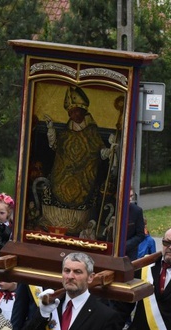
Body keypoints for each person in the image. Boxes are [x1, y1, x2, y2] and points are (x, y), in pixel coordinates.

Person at [42, 86, 117, 234]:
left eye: (76, 111)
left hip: (84, 177)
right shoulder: (65, 131)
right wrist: (50, 129)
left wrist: (108, 151)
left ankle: (80, 224)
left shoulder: (91, 130)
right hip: (63, 175)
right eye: (71, 112)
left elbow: (99, 150)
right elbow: (55, 146)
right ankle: (58, 222)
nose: (74, 115)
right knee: (52, 188)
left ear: (83, 111)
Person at [125, 191, 146, 261]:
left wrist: (125, 245)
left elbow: (140, 235)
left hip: (129, 254)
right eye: (127, 196)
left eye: (131, 196)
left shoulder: (137, 211)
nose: (129, 199)